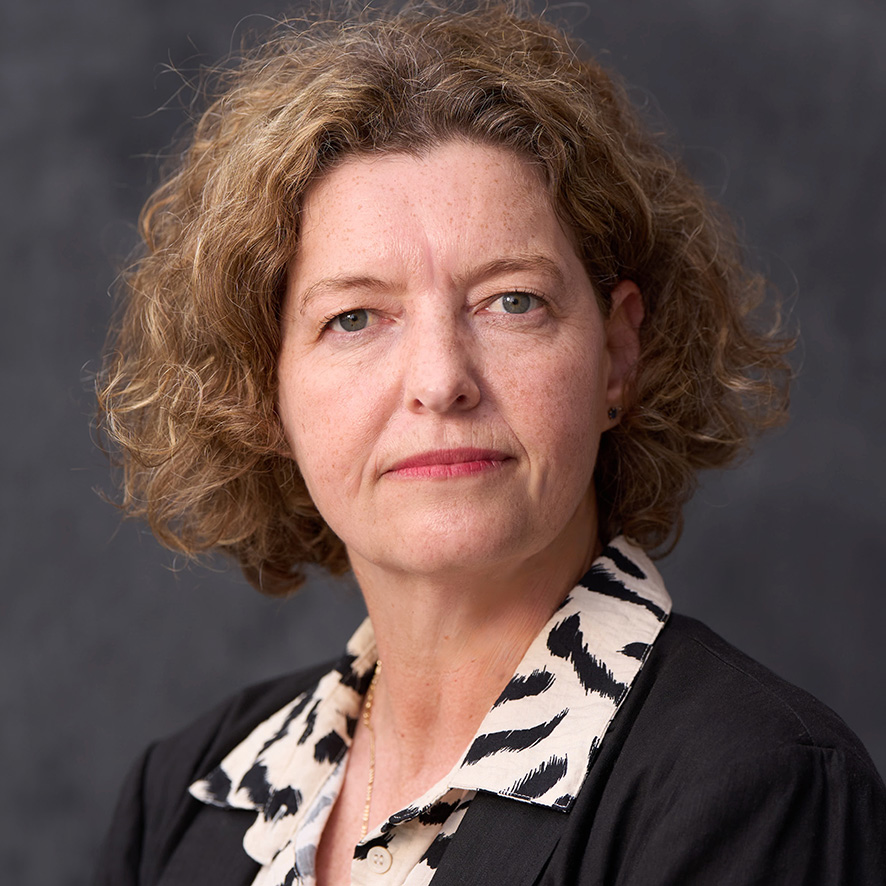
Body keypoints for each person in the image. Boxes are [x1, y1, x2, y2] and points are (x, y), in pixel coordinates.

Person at [94, 3, 886, 884]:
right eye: (355, 317)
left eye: (512, 301)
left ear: (618, 355)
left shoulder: (757, 786)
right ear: (262, 389)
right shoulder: (183, 802)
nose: (441, 379)